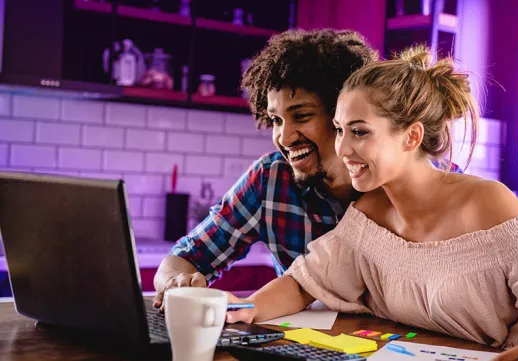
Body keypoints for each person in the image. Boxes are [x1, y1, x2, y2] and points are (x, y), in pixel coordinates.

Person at [225, 46, 518, 361]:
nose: (342, 148)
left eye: (359, 131)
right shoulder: (369, 214)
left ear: (411, 137)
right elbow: (305, 282)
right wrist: (249, 308)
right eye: (340, 130)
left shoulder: (490, 204)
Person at [153, 29, 459, 309]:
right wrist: (176, 283)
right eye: (275, 120)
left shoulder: (410, 184)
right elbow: (185, 257)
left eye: (301, 115)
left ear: (342, 114)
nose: (283, 138)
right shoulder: (271, 179)